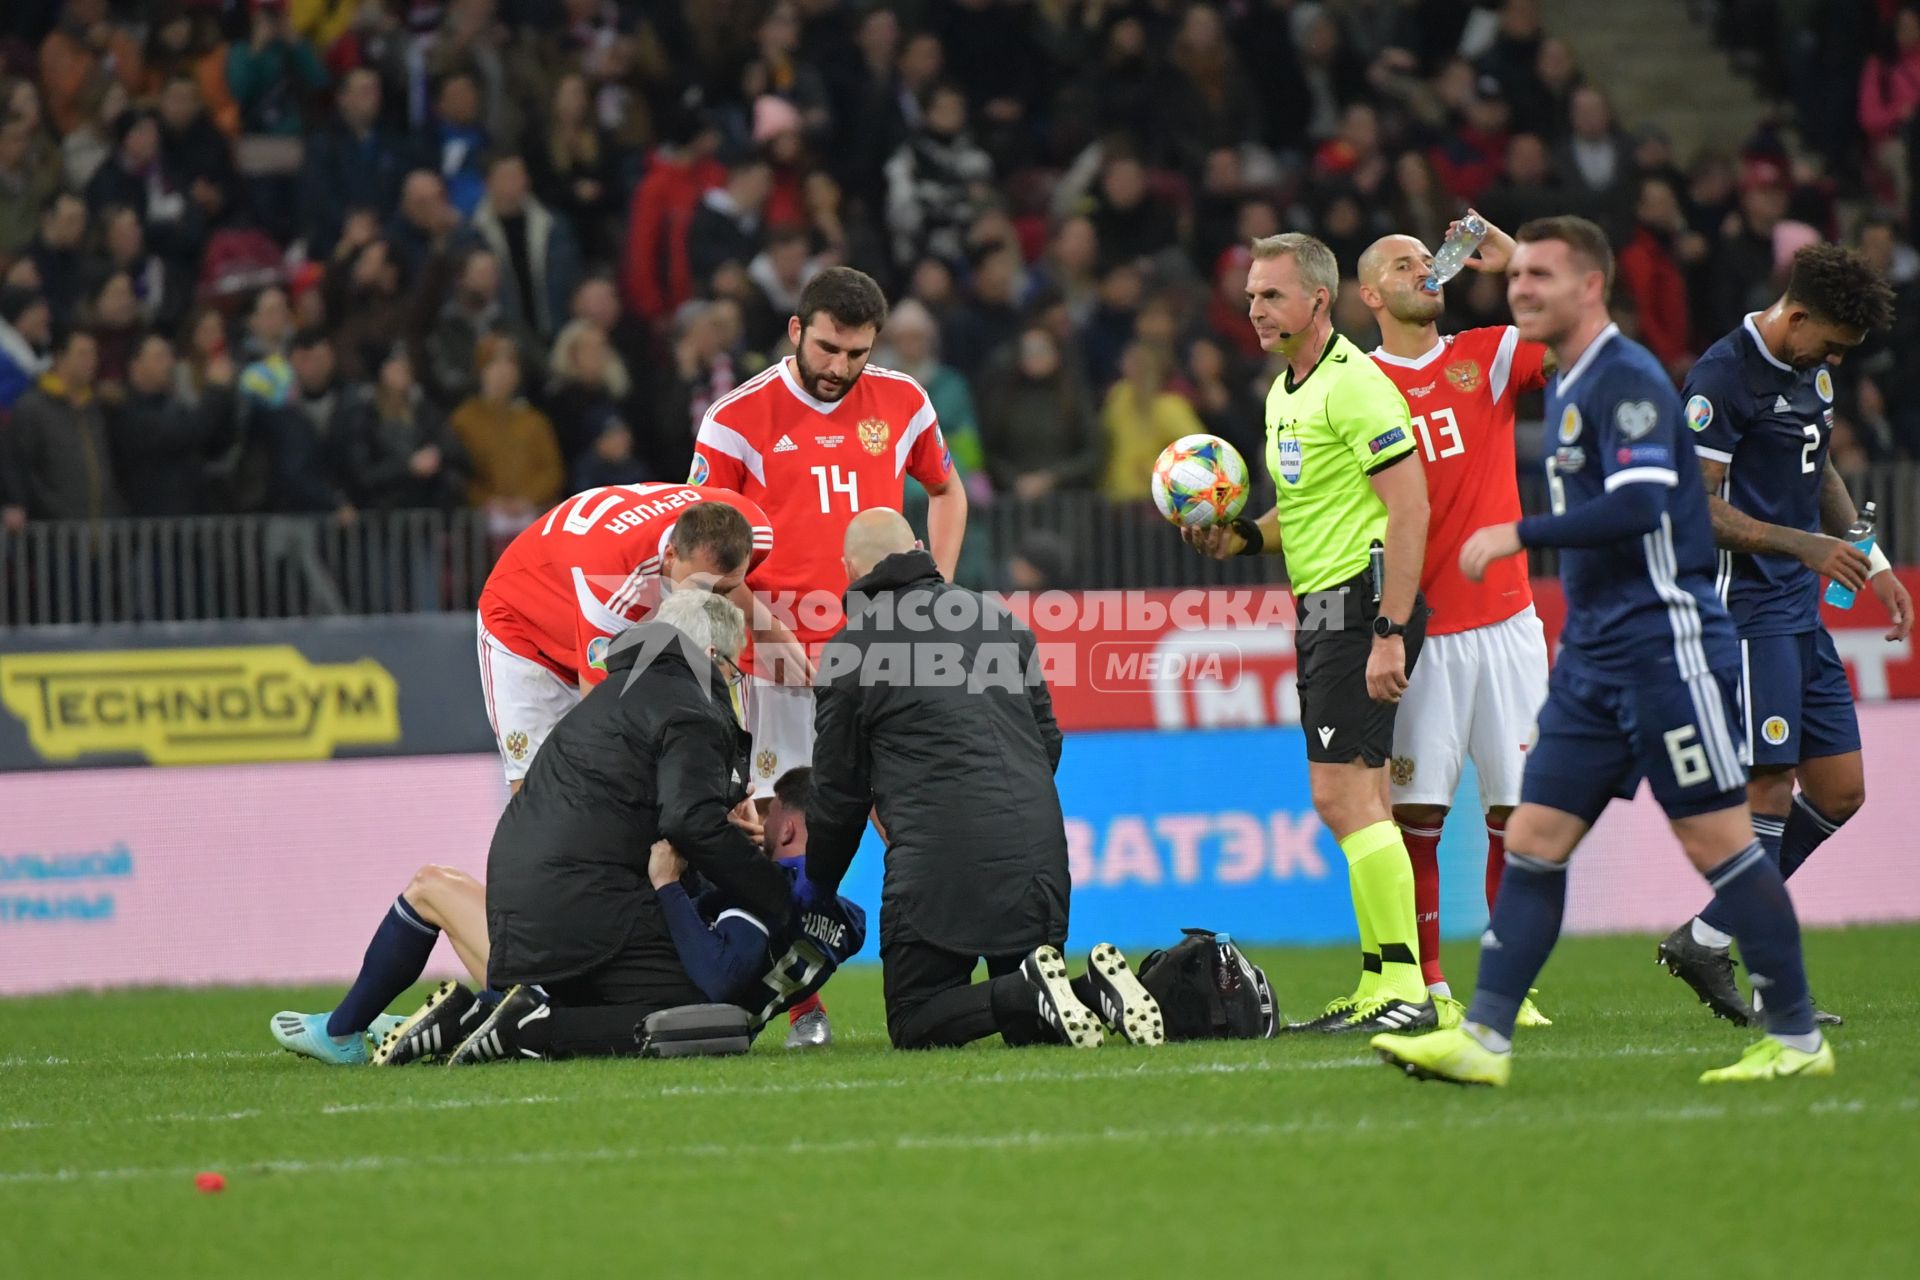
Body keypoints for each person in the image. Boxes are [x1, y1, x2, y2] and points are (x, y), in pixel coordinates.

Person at [1375, 216, 1834, 1086]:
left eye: (1543, 278)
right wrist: (1518, 261)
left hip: (1663, 646)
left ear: (1593, 288)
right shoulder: (1577, 375)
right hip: (1593, 656)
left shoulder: (1623, 378)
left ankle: (1798, 1038)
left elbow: (1638, 505)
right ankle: (1486, 1039)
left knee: (1721, 847)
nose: (1521, 292)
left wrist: (1519, 532)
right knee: (1538, 838)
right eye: (1515, 280)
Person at [1184, 232, 1434, 1034]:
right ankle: (1384, 984)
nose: (1254, 308)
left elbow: (1411, 508)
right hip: (1327, 609)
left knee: (1344, 794)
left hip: (1360, 609)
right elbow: (1302, 514)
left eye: (1271, 295)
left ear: (1318, 301)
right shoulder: (1286, 390)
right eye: (1251, 294)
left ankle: (1404, 993)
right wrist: (1243, 539)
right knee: (1356, 796)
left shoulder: (1355, 388)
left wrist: (1390, 629)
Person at [1656, 244, 1911, 1025]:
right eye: (1830, 343)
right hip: (1745, 614)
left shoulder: (1812, 371)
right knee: (1768, 784)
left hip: (1799, 610)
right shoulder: (1722, 376)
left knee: (1841, 792)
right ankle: (1772, 987)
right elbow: (1697, 508)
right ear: (1795, 316)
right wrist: (1805, 547)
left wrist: (1872, 561)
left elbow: (1818, 468)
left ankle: (1706, 935)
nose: (1832, 360)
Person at [805, 509, 1163, 1051]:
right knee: (1037, 1033)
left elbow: (838, 796)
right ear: (921, 546)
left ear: (848, 572)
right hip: (1038, 862)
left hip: (937, 867)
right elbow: (1047, 745)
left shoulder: (852, 650)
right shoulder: (999, 621)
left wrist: (818, 887)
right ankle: (1084, 990)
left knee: (916, 1021)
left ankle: (1029, 990)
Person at [456, 590, 797, 1064]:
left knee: (614, 1002)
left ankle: (478, 1016)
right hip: (588, 909)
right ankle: (533, 1028)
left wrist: (717, 834)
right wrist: (778, 896)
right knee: (709, 1011)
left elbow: (644, 814)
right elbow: (685, 821)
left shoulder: (617, 694)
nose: (732, 684)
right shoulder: (692, 707)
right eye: (733, 672)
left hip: (525, 911)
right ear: (713, 657)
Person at [1357, 215, 1554, 1029]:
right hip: (1420, 627)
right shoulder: (1356, 386)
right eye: (1402, 265)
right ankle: (1430, 983)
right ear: (1370, 295)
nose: (1422, 270)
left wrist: (1520, 266)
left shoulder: (1489, 354)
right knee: (1419, 818)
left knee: (1517, 814)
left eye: (1425, 259)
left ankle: (1511, 988)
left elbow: (1583, 343)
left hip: (1509, 623)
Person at [689, 267, 968, 803]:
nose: (839, 367)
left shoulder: (904, 400)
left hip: (883, 649)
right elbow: (703, 547)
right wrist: (766, 627)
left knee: (905, 808)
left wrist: (938, 590)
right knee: (780, 817)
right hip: (777, 659)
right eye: (826, 348)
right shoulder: (735, 418)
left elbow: (947, 491)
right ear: (796, 329)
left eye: (857, 353)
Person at [475, 488, 782, 791]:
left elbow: (724, 582)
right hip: (525, 633)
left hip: (592, 580)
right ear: (671, 556)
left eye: (724, 589)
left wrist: (776, 638)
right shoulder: (615, 587)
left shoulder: (751, 529)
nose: (711, 601)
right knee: (541, 791)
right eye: (701, 587)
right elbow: (602, 714)